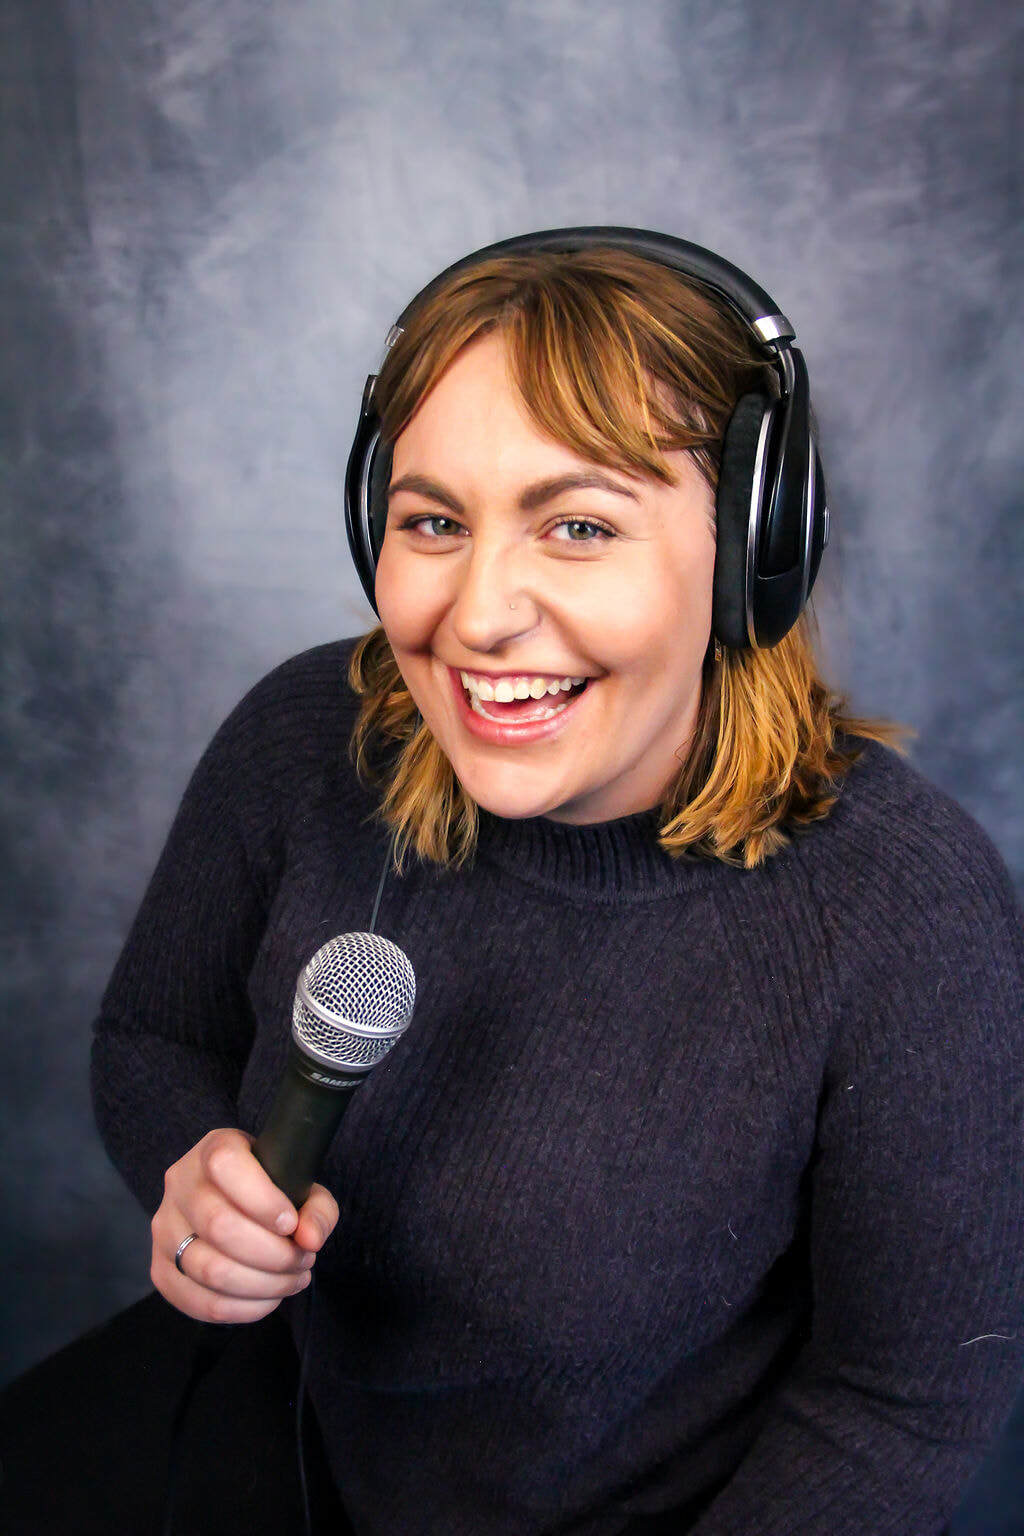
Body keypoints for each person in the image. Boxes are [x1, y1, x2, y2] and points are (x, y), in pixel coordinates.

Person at [88, 231, 1023, 1533]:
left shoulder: (904, 908)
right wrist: (194, 1163)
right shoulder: (305, 739)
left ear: (755, 549)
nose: (478, 615)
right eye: (433, 521)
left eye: (579, 524)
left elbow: (900, 1401)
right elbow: (152, 1037)